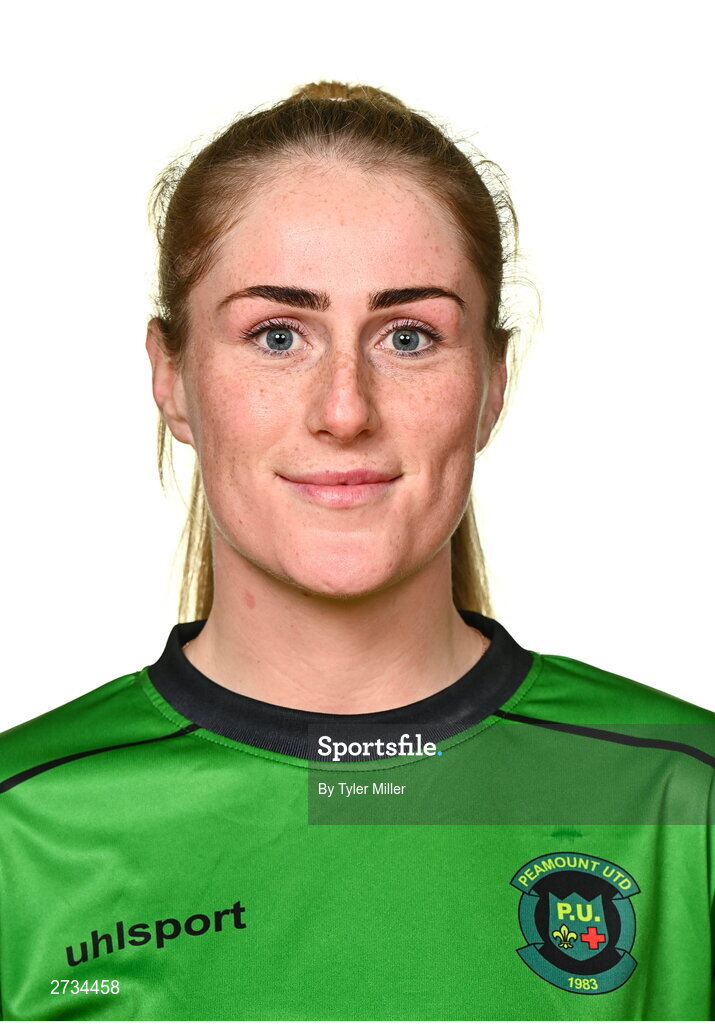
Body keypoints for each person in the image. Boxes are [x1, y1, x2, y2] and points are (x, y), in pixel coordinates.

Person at [0, 80, 713, 1023]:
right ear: (171, 379)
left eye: (409, 336)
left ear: (491, 383)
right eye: (278, 334)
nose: (345, 409)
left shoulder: (681, 801)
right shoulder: (22, 833)